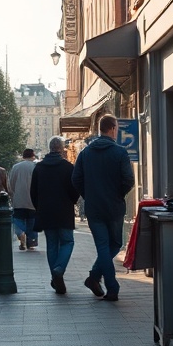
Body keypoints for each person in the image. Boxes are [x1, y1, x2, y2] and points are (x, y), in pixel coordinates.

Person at [72, 112, 134, 301]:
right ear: (113, 129)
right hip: (114, 207)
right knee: (114, 244)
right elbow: (129, 180)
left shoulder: (85, 153)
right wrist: (118, 194)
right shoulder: (120, 152)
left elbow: (76, 179)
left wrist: (88, 195)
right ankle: (111, 287)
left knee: (103, 247)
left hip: (94, 207)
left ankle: (94, 278)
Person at [31, 135, 80, 294]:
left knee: (52, 244)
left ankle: (55, 277)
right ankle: (59, 270)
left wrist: (39, 207)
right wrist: (72, 201)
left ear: (50, 148)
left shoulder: (39, 167)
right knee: (67, 242)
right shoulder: (68, 167)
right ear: (61, 149)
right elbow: (75, 190)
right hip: (64, 211)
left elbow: (33, 192)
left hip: (46, 212)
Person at [8, 148, 39, 251]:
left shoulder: (16, 167)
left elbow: (11, 183)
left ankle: (21, 233)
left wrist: (14, 193)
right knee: (32, 222)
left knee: (17, 219)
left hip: (19, 199)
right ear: (33, 155)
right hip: (33, 201)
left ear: (23, 156)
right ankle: (31, 241)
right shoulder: (36, 167)